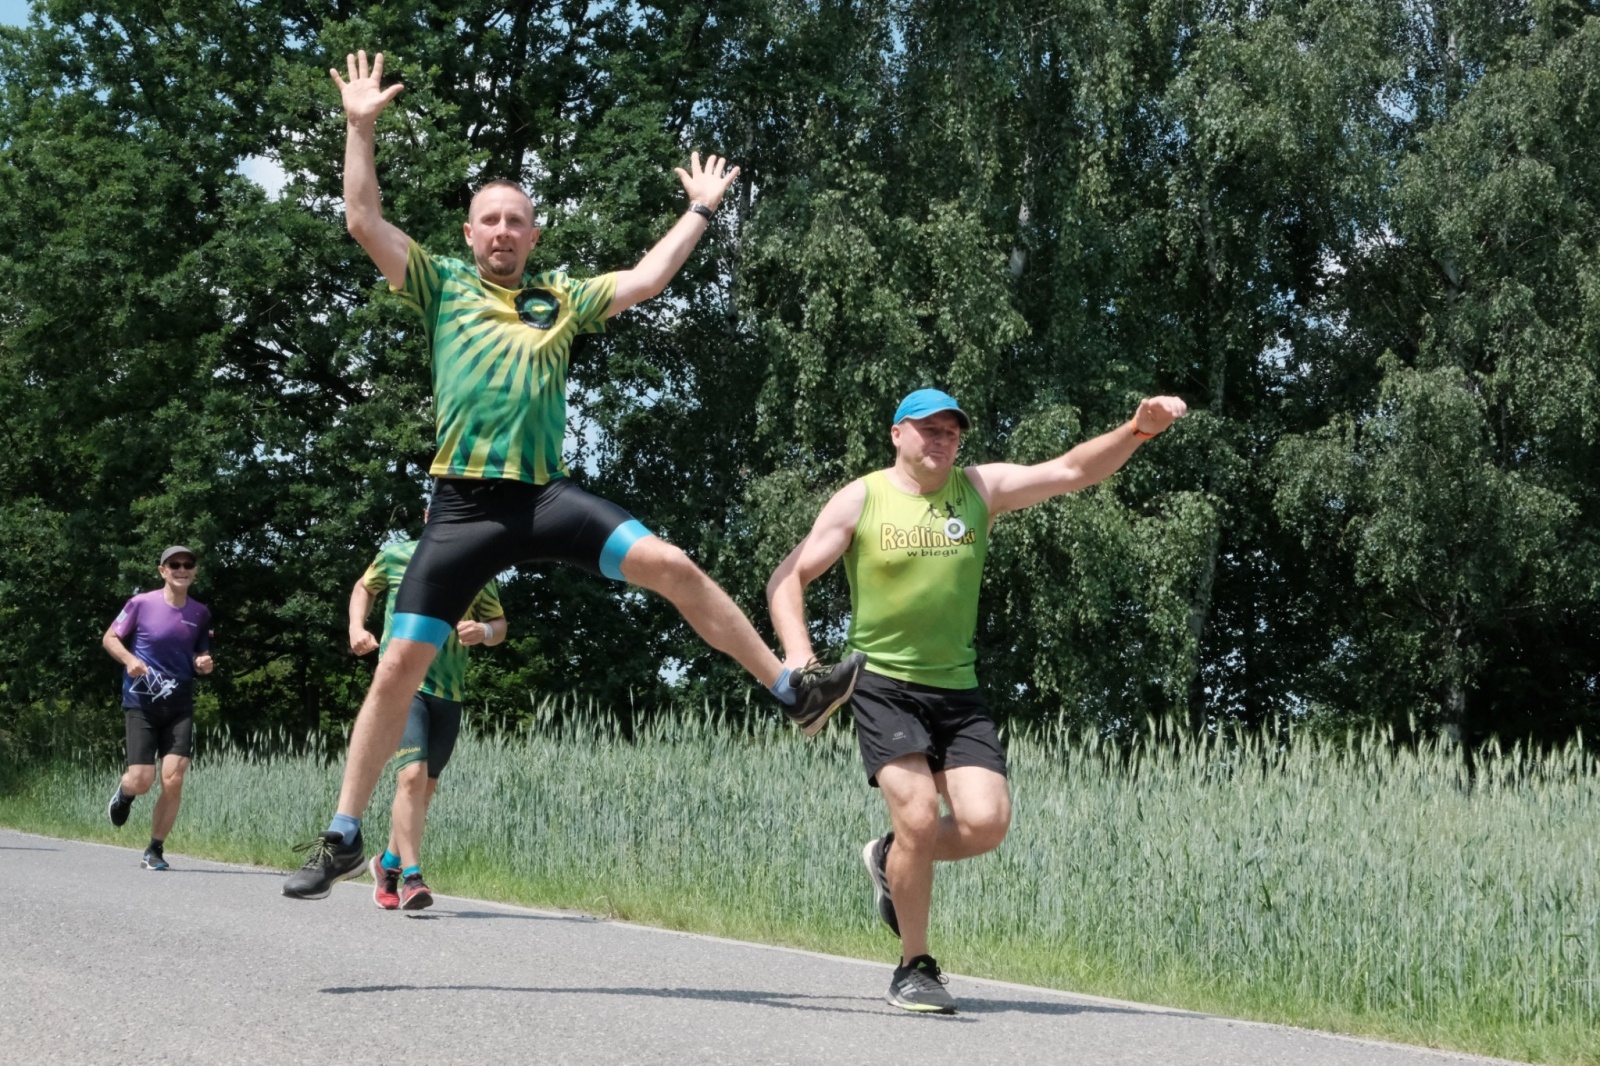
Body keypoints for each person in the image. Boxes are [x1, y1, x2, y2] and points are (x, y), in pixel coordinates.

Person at [283, 50, 863, 899]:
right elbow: (363, 219)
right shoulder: (440, 285)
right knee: (396, 667)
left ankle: (790, 690)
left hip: (546, 498)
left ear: (536, 235)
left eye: (518, 221)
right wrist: (359, 126)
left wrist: (700, 209)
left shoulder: (562, 295)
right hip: (463, 509)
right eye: (491, 220)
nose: (505, 232)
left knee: (671, 564)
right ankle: (342, 834)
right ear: (470, 233)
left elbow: (649, 278)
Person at [767, 387, 1188, 1013]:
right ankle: (915, 965)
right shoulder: (863, 498)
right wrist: (802, 664)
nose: (941, 440)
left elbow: (1071, 470)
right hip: (881, 682)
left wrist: (1137, 430)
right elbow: (787, 579)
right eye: (928, 429)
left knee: (986, 824)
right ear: (897, 434)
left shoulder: (978, 489)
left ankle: (888, 857)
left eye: (951, 432)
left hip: (957, 686)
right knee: (914, 814)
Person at [350, 524, 507, 911]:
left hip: (449, 693)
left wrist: (483, 629)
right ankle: (412, 877)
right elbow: (363, 587)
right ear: (429, 515)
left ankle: (387, 863)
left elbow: (500, 627)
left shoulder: (477, 570)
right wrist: (356, 627)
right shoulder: (398, 554)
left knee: (425, 790)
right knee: (411, 776)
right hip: (405, 686)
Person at [103, 545, 215, 871]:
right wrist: (129, 659)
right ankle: (125, 794)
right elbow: (110, 638)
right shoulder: (141, 603)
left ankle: (154, 849)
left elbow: (199, 657)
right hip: (141, 702)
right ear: (162, 570)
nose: (182, 569)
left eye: (188, 564)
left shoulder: (201, 613)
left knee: (174, 779)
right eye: (174, 564)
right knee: (142, 779)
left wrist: (203, 663)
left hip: (179, 705)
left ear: (194, 571)